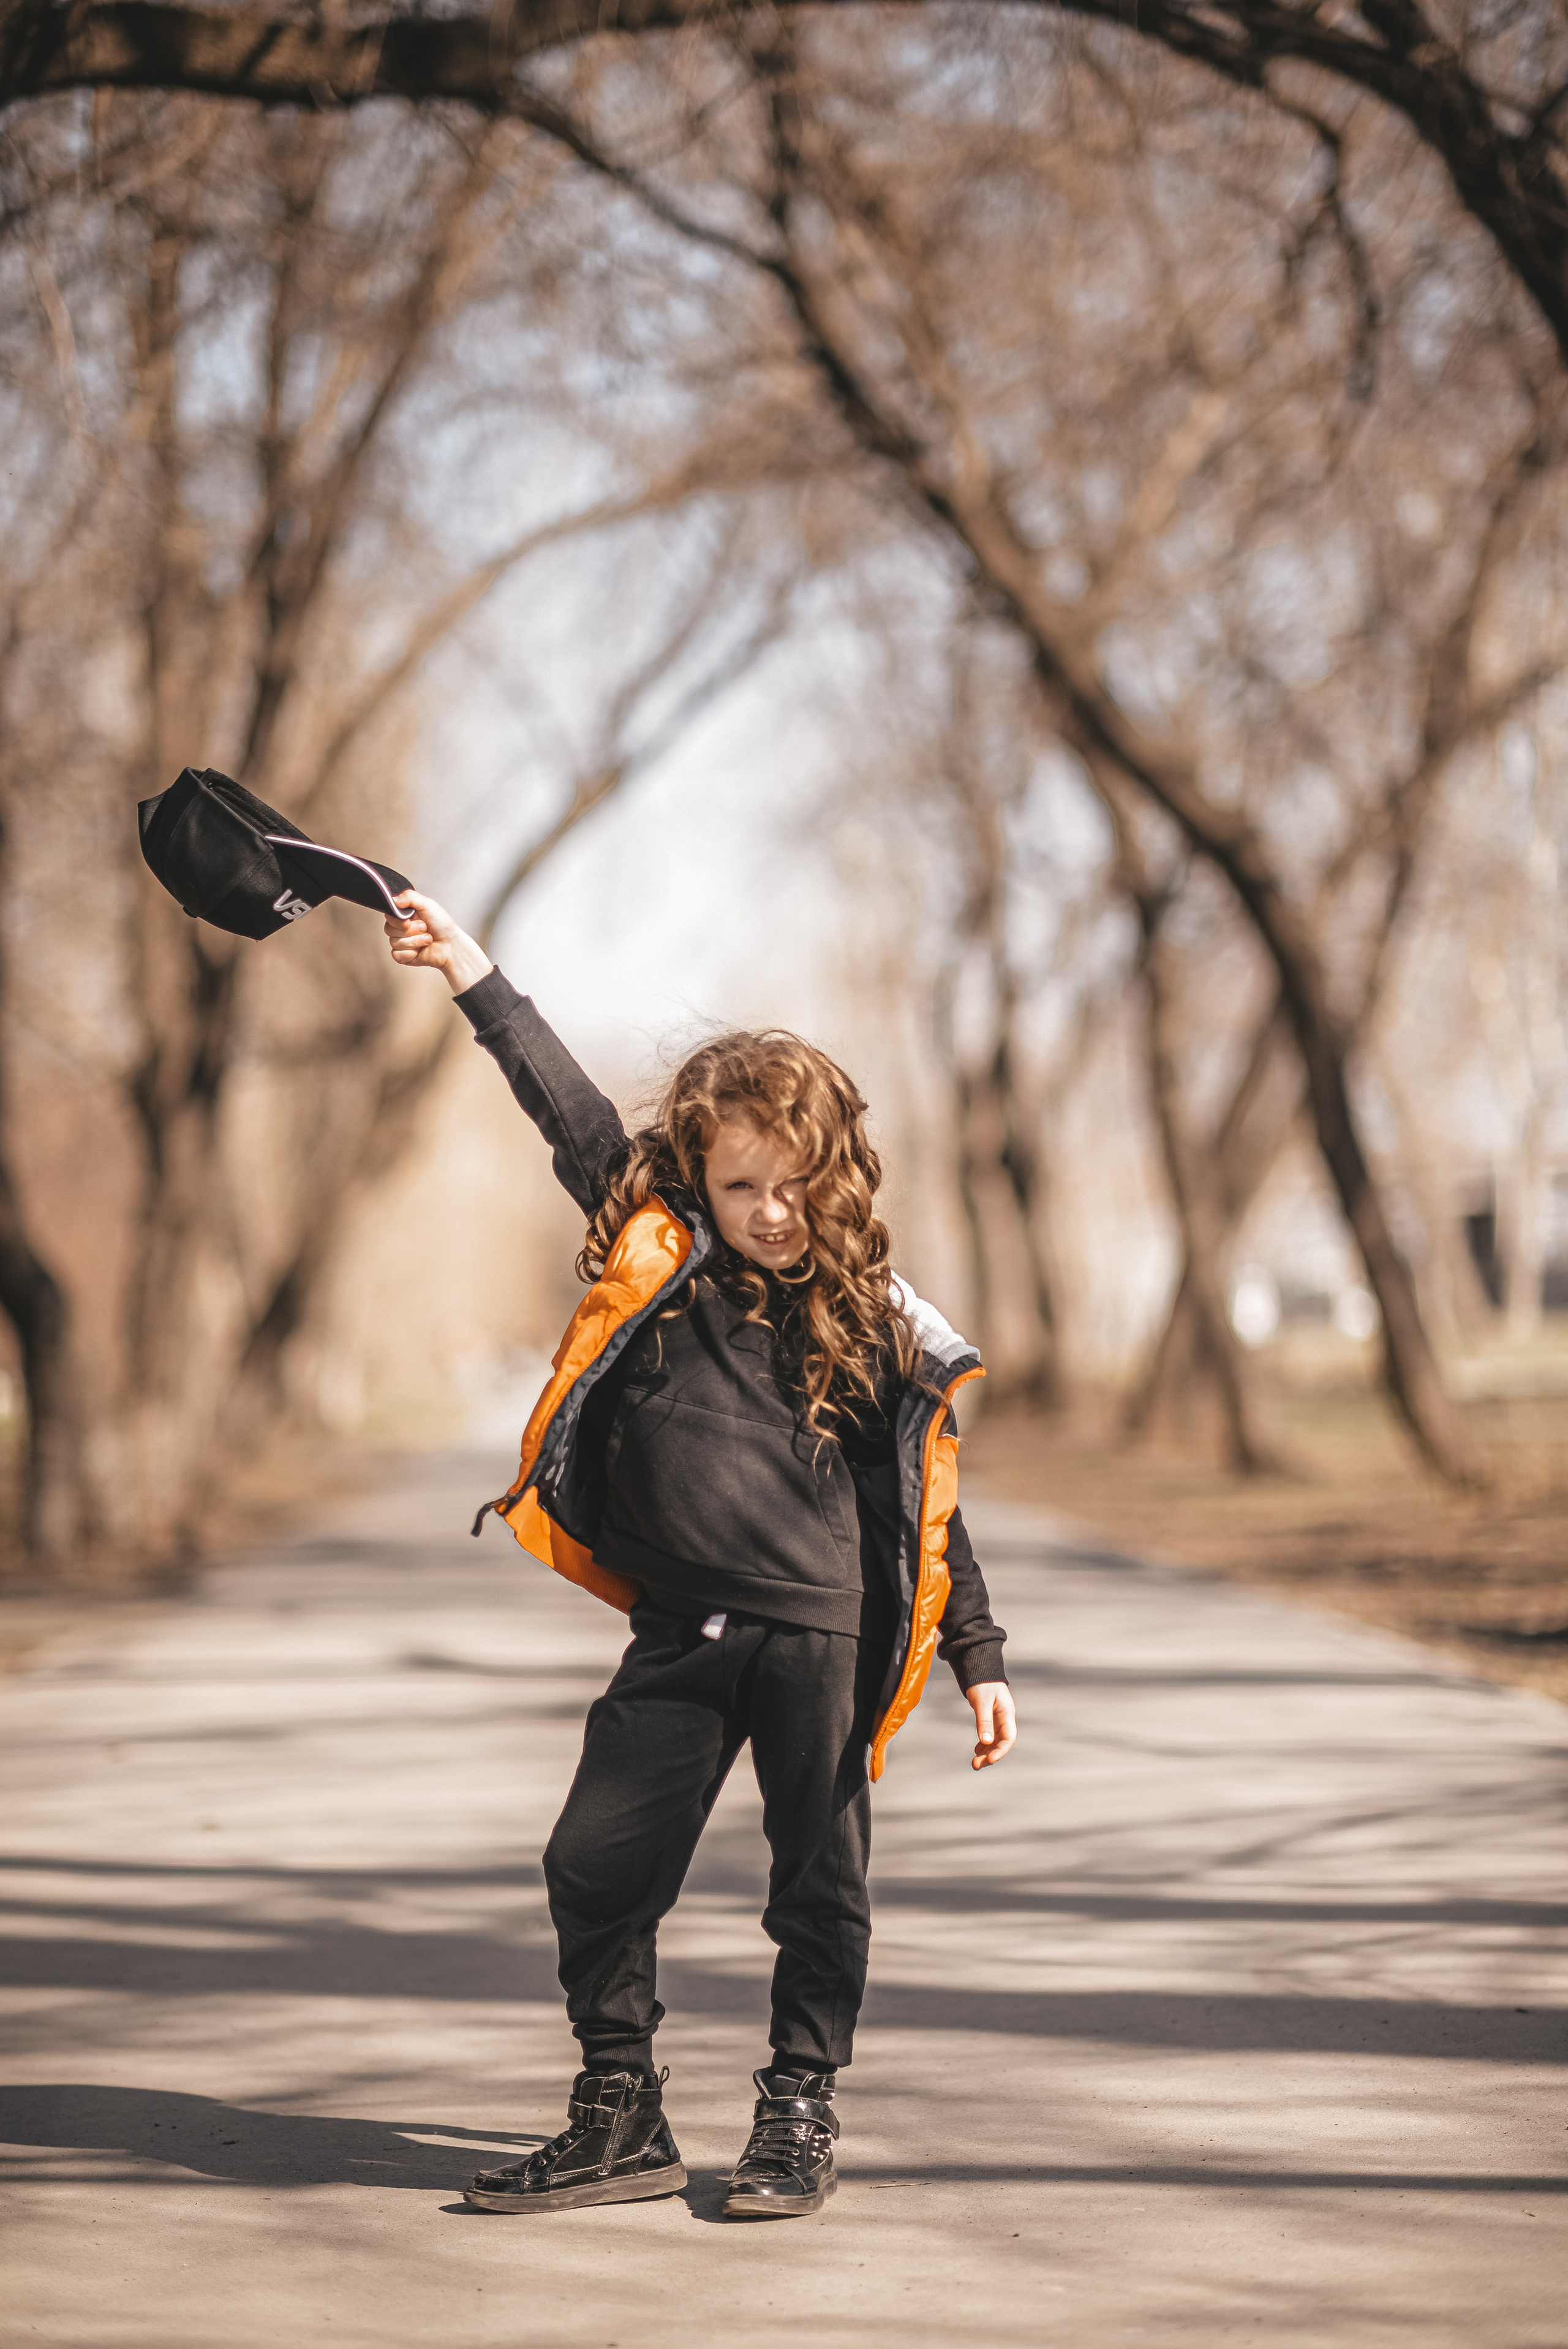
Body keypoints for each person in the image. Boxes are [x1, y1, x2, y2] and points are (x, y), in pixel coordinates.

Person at [384, 891, 1017, 2222]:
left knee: (815, 1882)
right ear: (698, 1175)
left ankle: (796, 2108)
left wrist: (977, 1653)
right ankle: (618, 2109)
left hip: (818, 1640)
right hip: (681, 1632)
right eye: (742, 1186)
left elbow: (926, 1495)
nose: (772, 1212)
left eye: (795, 1186)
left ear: (832, 1179)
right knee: (589, 1864)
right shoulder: (658, 1250)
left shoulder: (861, 1313)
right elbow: (562, 1106)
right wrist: (472, 973)